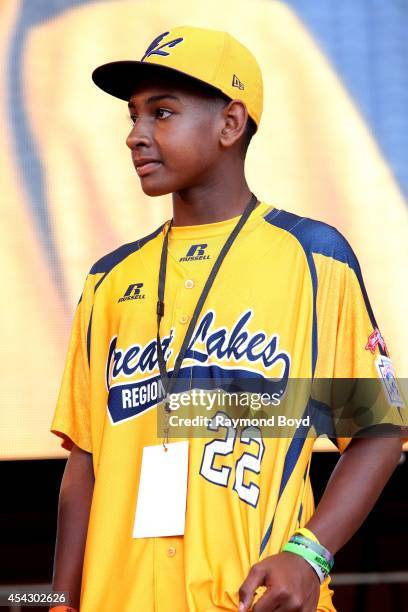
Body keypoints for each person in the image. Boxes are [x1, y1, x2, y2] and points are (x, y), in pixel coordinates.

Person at [49, 26, 407, 612]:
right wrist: (54, 601)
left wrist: (311, 553)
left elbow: (379, 431)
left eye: (161, 113)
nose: (136, 136)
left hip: (250, 601)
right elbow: (84, 463)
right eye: (133, 116)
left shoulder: (312, 257)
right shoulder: (106, 280)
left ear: (230, 123)